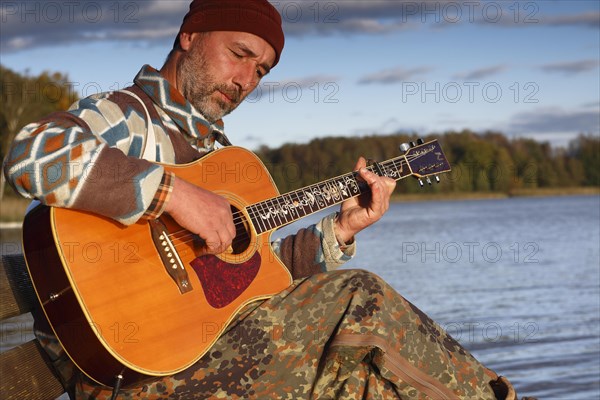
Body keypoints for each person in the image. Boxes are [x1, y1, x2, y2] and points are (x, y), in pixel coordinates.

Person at [3, 1, 520, 398]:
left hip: (213, 357)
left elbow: (259, 283)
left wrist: (338, 233)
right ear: (190, 34)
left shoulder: (228, 162)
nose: (246, 80)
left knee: (365, 382)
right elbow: (31, 156)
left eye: (262, 70)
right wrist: (174, 194)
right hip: (135, 378)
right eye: (239, 54)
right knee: (358, 297)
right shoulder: (127, 117)